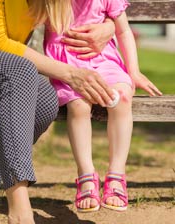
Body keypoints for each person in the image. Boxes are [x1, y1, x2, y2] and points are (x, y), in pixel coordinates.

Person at [0, 1, 117, 223]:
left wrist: (110, 25)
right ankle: (20, 212)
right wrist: (71, 74)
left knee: (44, 102)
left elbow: (94, 5)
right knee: (18, 72)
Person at [32, 0, 163, 212]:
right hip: (67, 64)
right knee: (79, 106)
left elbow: (124, 31)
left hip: (103, 59)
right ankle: (86, 176)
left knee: (123, 97)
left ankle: (116, 175)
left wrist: (134, 71)